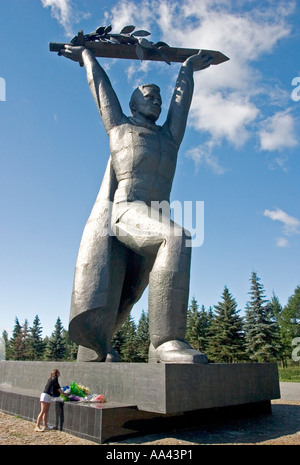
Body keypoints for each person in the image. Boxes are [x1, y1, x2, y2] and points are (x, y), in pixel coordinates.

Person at [60, 44, 212, 363]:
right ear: (133, 103)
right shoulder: (119, 127)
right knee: (177, 237)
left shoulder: (169, 137)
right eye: (149, 95)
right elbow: (102, 92)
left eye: (158, 97)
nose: (156, 101)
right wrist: (88, 58)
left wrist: (186, 70)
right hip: (126, 210)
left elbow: (181, 105)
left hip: (154, 215)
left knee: (128, 294)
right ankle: (167, 342)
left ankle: (92, 351)